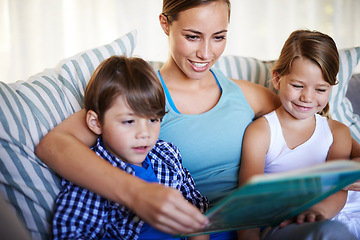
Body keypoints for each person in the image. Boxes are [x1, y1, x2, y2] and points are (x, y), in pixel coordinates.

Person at [35, 0, 360, 239]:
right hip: (191, 229)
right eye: (193, 36)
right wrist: (135, 193)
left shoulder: (246, 94)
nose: (206, 52)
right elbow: (55, 145)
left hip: (263, 224)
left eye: (218, 37)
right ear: (165, 24)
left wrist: (343, 177)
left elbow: (327, 135)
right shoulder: (144, 95)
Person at [51, 55, 209, 240]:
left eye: (153, 119)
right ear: (96, 122)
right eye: (129, 121)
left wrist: (199, 232)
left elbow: (194, 203)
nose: (144, 133)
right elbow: (70, 234)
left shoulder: (167, 154)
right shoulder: (91, 175)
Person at [238, 30, 359, 239]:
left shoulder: (337, 132)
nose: (307, 97)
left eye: (320, 90)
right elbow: (247, 200)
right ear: (277, 79)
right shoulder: (261, 132)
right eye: (297, 86)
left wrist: (318, 212)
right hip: (288, 224)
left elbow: (339, 189)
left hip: (337, 214)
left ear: (331, 89)